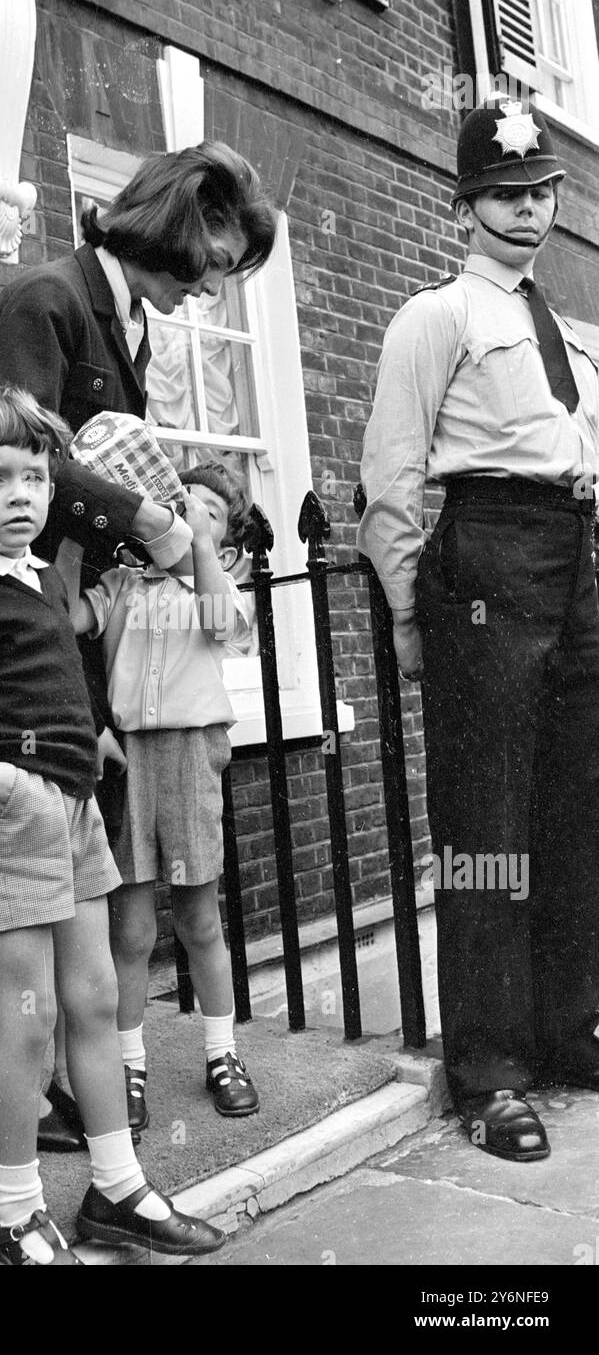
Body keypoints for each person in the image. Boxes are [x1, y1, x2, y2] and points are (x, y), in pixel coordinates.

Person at [0, 139, 278, 1147]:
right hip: (3, 620)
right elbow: (22, 454)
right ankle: (3, 1057)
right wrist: (150, 522)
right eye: (215, 247)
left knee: (55, 843)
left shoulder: (119, 319)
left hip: (61, 618)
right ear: (174, 219)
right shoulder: (47, 297)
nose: (211, 277)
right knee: (28, 848)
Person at [0, 386, 226, 1264]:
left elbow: (45, 677)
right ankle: (13, 1209)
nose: (22, 494)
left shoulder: (35, 578)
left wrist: (81, 731)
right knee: (26, 1018)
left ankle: (117, 1188)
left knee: (92, 1002)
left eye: (35, 476)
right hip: (10, 818)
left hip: (74, 811)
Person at [357, 97, 599, 1163]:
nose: (527, 212)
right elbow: (391, 480)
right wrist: (412, 616)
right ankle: (490, 1071)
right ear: (465, 205)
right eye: (505, 195)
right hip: (483, 562)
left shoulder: (566, 332)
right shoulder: (434, 317)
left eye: (540, 192)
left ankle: (564, 1031)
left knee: (574, 813)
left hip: (571, 557)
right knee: (486, 835)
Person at [60, 458, 259, 1130]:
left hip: (190, 750)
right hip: (129, 759)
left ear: (225, 541)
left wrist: (194, 541)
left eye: (207, 508)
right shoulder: (120, 583)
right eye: (180, 500)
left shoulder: (218, 587)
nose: (187, 510)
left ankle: (222, 1054)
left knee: (200, 918)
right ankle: (129, 1065)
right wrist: (70, 531)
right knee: (133, 929)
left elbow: (219, 626)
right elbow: (62, 620)